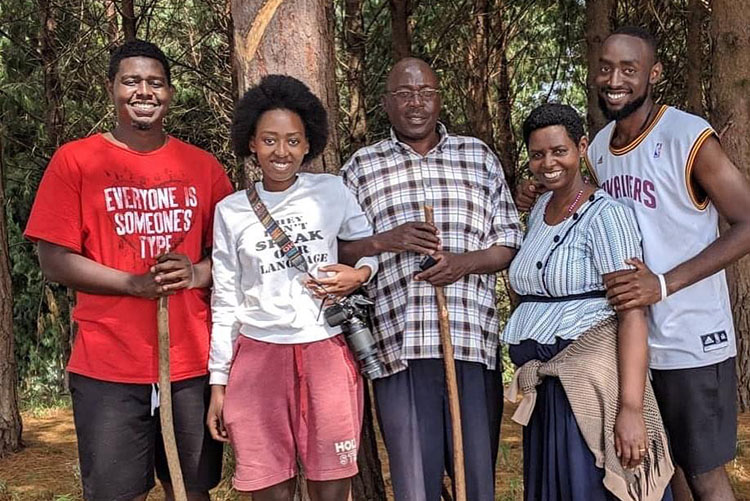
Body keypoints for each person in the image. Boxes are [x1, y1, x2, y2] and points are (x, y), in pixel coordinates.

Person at [517, 26, 750, 501]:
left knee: (702, 472)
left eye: (629, 68)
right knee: (665, 472)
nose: (614, 78)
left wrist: (663, 284)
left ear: (653, 73)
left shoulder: (688, 136)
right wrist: (539, 189)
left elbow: (747, 222)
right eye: (605, 67)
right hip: (630, 344)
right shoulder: (599, 147)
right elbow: (586, 210)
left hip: (690, 338)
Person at [24, 40, 233, 501]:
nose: (144, 91)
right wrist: (131, 284)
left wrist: (196, 271)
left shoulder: (204, 168)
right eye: (131, 81)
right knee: (117, 494)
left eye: (155, 82)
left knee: (191, 489)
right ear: (112, 88)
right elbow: (52, 258)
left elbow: (235, 257)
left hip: (190, 361)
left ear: (170, 92)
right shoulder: (75, 161)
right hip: (108, 364)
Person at [339, 57, 523, 501]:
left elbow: (508, 243)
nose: (416, 103)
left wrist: (463, 263)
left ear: (439, 98)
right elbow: (336, 250)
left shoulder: (477, 157)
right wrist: (386, 240)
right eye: (404, 94)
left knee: (474, 479)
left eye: (426, 93)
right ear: (386, 103)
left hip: (470, 343)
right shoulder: (362, 167)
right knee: (415, 484)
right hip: (399, 346)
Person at [205, 74, 378, 501]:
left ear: (307, 144)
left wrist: (359, 276)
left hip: (326, 353)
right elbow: (225, 298)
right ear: (251, 143)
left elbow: (368, 249)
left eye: (292, 141)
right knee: (267, 488)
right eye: (269, 140)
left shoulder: (332, 190)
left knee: (331, 486)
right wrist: (218, 383)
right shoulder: (230, 211)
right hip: (257, 359)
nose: (281, 152)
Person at [503, 103, 673, 501]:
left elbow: (632, 312)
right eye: (537, 154)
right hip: (548, 391)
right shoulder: (540, 208)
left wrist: (630, 408)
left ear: (581, 147)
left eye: (559, 150)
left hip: (588, 385)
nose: (548, 163)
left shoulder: (606, 216)